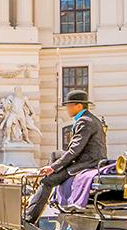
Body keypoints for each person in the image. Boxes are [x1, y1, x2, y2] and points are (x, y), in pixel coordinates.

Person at [24, 90, 107, 223]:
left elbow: (74, 150)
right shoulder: (88, 118)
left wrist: (53, 167)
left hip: (87, 162)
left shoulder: (85, 121)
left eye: (69, 106)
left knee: (47, 182)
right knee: (55, 154)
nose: (66, 109)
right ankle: (49, 182)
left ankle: (29, 217)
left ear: (78, 106)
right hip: (87, 158)